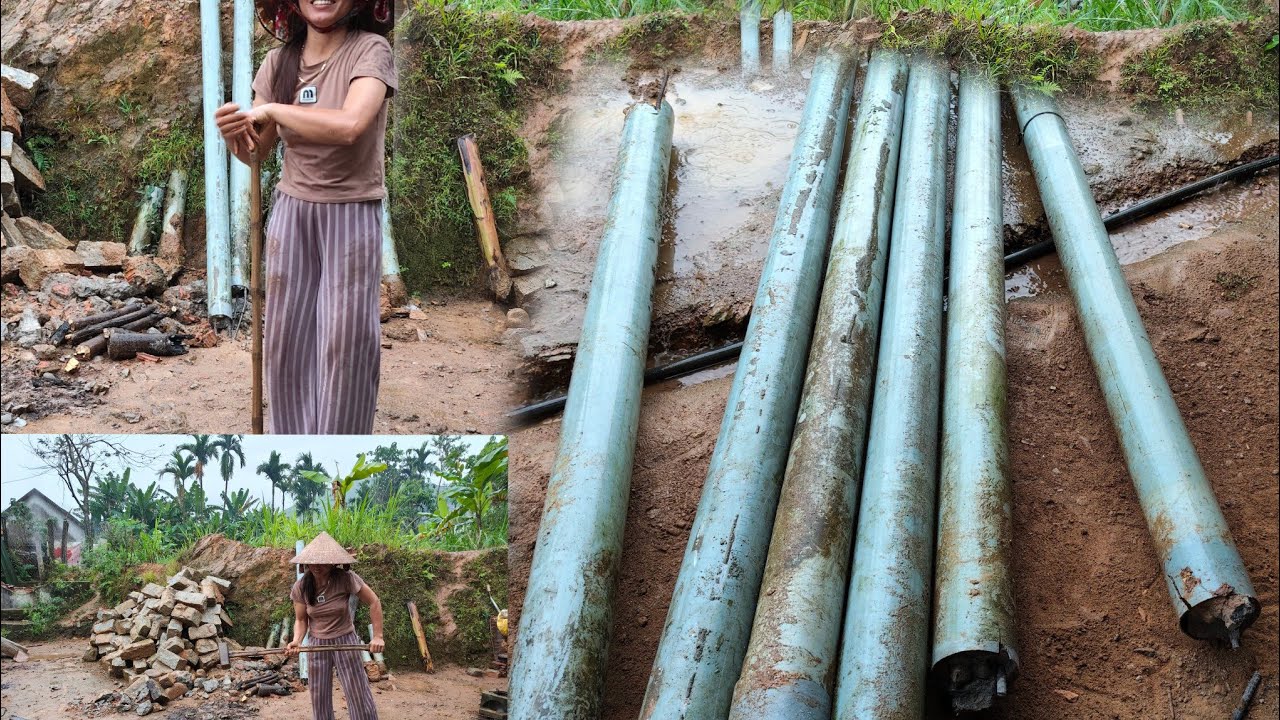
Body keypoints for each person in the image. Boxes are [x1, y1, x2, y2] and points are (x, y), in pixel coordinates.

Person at [214, 0, 396, 434]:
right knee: (287, 338)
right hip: (292, 214)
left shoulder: (370, 51)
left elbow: (351, 125)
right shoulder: (279, 63)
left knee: (346, 340)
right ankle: (292, 444)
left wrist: (274, 110)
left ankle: (341, 452)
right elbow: (257, 154)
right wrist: (235, 136)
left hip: (351, 213)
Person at [285, 532, 386, 720]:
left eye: (322, 562)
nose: (316, 567)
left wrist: (378, 636)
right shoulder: (301, 586)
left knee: (357, 690)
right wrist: (296, 641)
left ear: (333, 562)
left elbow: (374, 602)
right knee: (319, 694)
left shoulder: (346, 579)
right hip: (317, 644)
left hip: (345, 640)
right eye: (312, 562)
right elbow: (300, 620)